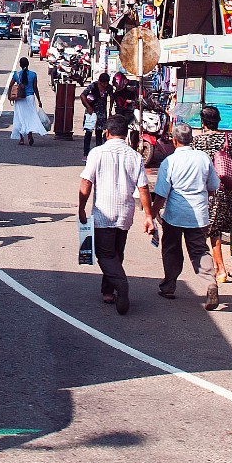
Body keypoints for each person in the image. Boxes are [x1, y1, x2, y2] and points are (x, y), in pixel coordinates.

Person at [79, 114, 148, 314]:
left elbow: (86, 182)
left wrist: (81, 207)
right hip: (125, 213)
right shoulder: (135, 155)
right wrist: (149, 216)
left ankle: (122, 287)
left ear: (107, 132)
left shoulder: (97, 153)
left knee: (105, 254)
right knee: (116, 252)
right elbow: (143, 188)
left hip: (103, 214)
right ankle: (108, 290)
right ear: (126, 134)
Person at [148, 123, 222, 309]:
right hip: (199, 215)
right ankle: (210, 283)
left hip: (174, 215)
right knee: (199, 250)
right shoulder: (203, 158)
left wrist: (151, 215)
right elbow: (213, 186)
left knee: (171, 249)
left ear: (174, 140)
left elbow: (161, 195)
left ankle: (169, 286)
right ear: (191, 139)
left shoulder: (170, 162)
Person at [192, 104, 232, 289]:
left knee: (207, 230)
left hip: (204, 191)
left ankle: (218, 269)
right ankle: (219, 268)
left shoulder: (197, 142)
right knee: (214, 230)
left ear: (203, 122)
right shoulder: (228, 139)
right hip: (224, 190)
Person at [8, 55, 48, 145]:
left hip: (20, 98)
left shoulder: (16, 74)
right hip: (30, 98)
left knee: (20, 118)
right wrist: (39, 100)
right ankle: (30, 136)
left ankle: (21, 139)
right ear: (28, 64)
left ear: (20, 65)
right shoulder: (33, 74)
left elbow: (10, 85)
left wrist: (11, 95)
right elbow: (35, 88)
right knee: (30, 117)